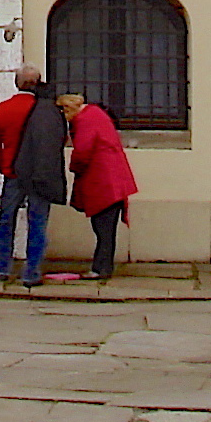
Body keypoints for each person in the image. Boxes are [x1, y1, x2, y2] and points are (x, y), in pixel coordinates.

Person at [0, 71, 69, 287]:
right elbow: (59, 139)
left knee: (7, 219)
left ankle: (2, 267)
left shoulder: (4, 108)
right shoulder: (47, 109)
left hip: (13, 173)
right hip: (38, 173)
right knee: (37, 221)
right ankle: (32, 271)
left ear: (17, 83)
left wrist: (4, 166)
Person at [58, 92, 138, 282]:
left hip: (104, 181)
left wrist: (72, 166)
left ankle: (100, 268)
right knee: (106, 228)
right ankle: (103, 267)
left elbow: (83, 151)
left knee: (102, 227)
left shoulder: (85, 120)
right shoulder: (96, 114)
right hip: (114, 179)